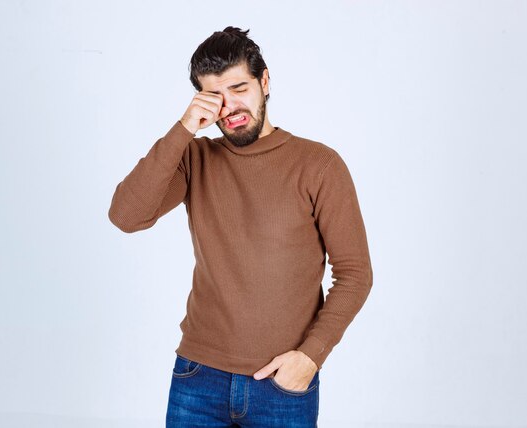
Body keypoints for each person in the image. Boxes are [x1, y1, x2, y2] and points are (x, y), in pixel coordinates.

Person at [108, 26, 373, 428]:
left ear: (264, 82)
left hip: (283, 385)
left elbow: (355, 275)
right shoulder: (194, 158)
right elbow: (126, 216)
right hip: (197, 376)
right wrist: (183, 129)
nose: (230, 106)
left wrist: (310, 357)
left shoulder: (319, 165)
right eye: (215, 96)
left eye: (239, 88)